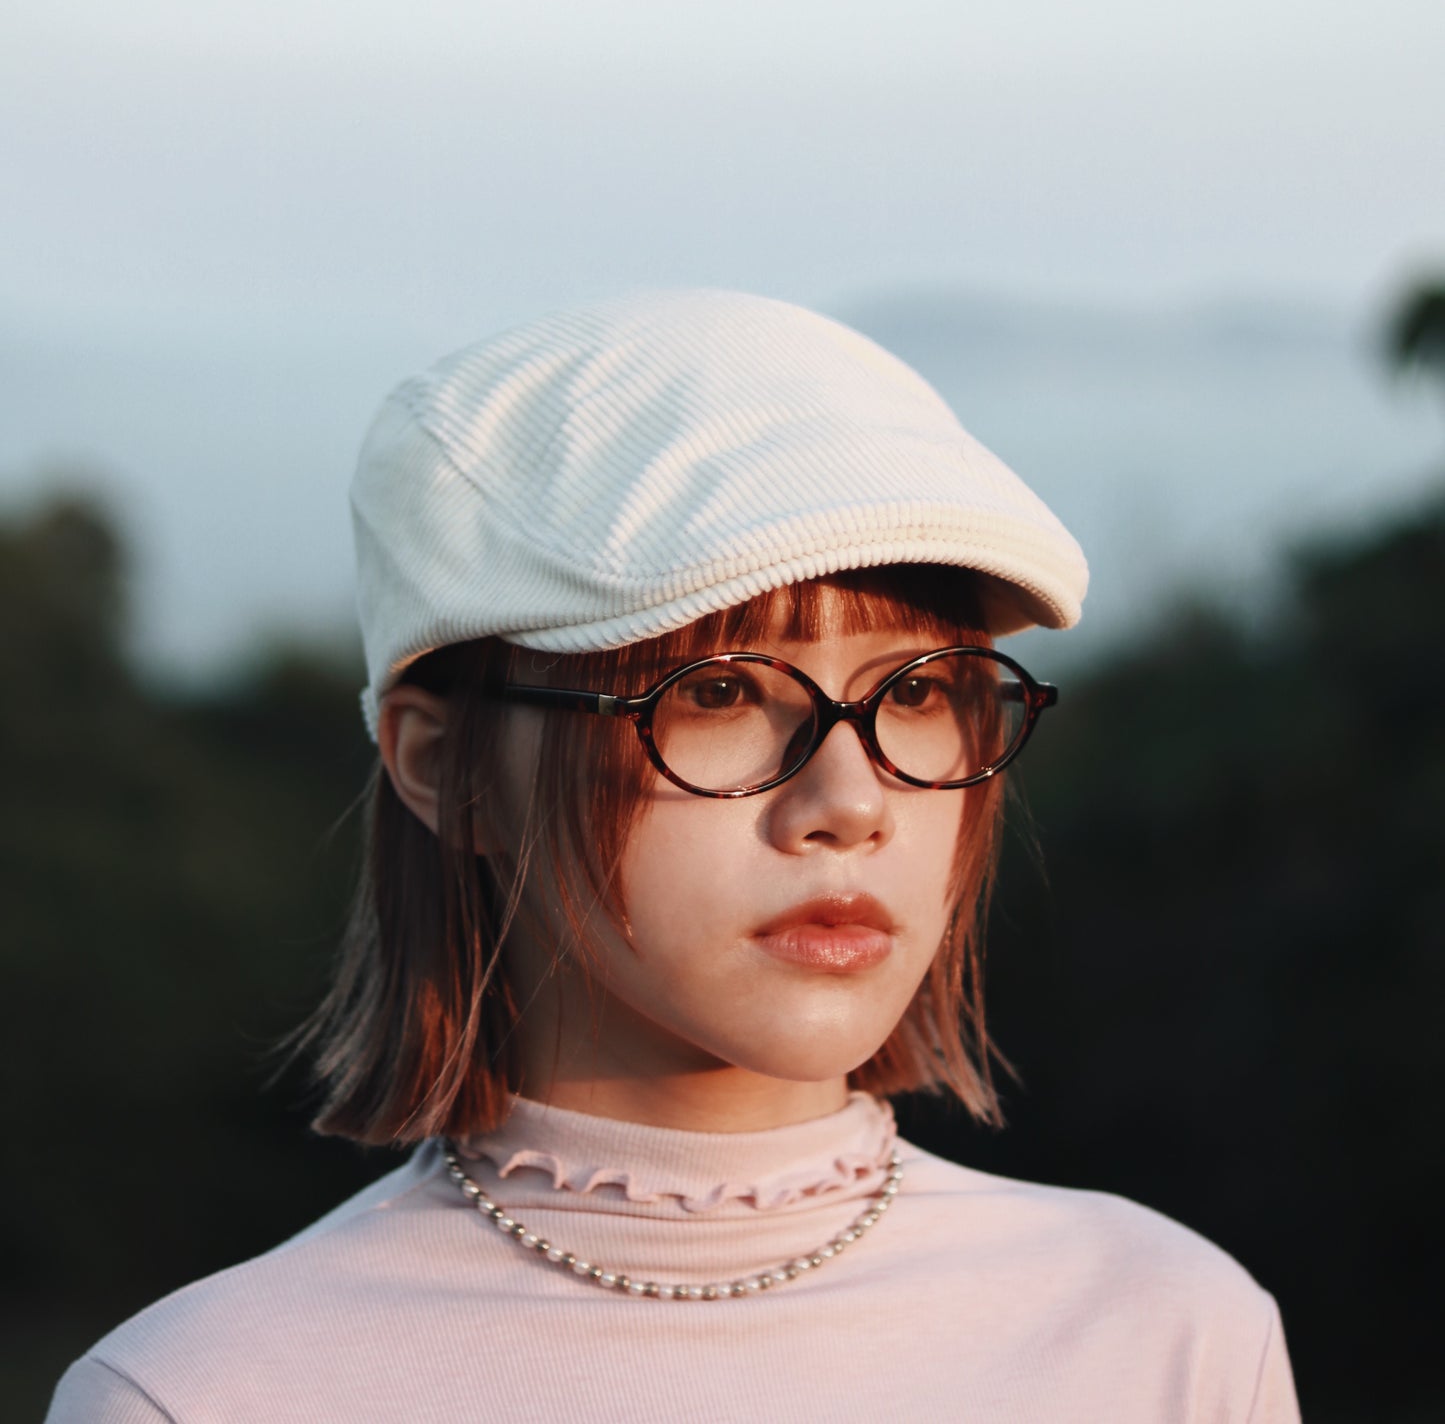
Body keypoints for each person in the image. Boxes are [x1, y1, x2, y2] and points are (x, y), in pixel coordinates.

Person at [47, 290, 1300, 1423]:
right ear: (444, 767)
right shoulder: (204, 1393)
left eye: (918, 690)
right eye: (716, 691)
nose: (849, 800)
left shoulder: (1167, 1337)